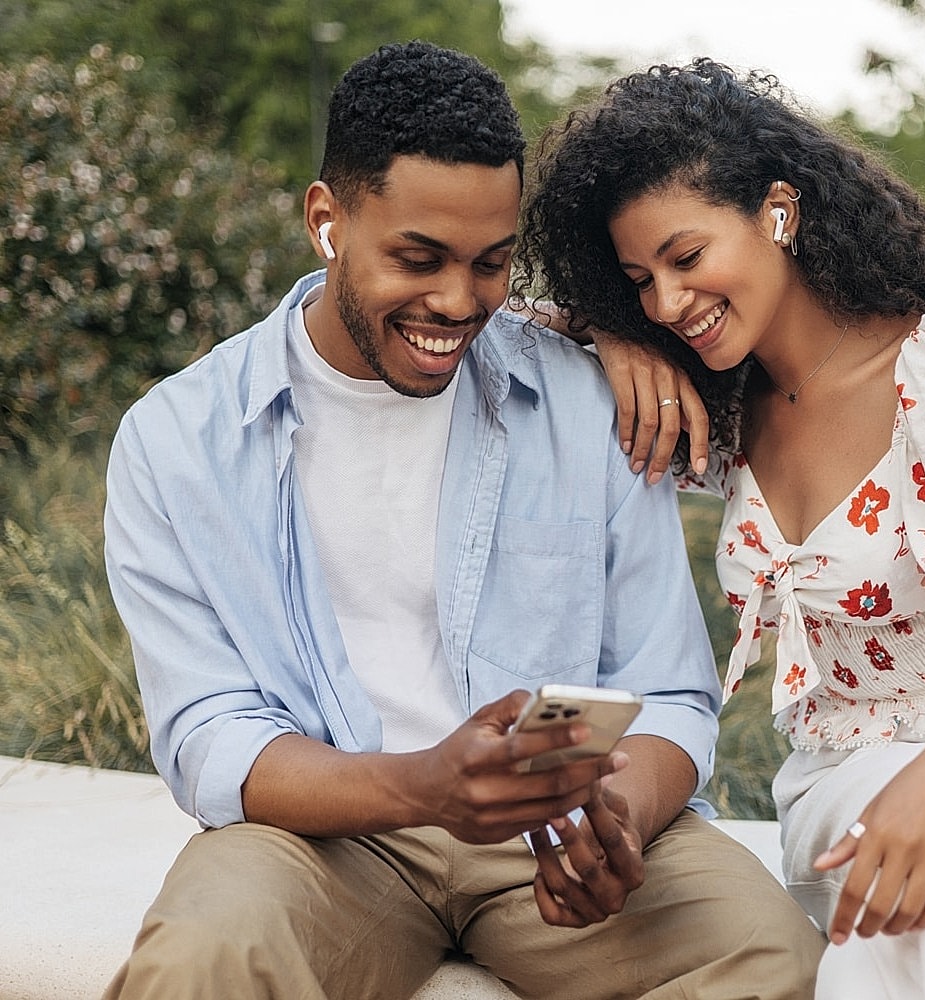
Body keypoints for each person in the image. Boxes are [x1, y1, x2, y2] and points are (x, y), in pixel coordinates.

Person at [101, 42, 823, 1000]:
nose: (457, 301)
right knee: (201, 962)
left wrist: (616, 811)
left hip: (558, 827)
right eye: (418, 258)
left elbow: (666, 692)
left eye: (491, 264)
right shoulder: (177, 441)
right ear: (328, 220)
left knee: (776, 956)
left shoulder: (588, 401)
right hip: (318, 839)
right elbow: (209, 737)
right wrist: (425, 786)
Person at [515, 58, 925, 999]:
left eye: (686, 257)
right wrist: (609, 335)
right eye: (637, 280)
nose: (665, 302)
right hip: (848, 781)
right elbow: (472, 303)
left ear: (778, 210)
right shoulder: (717, 405)